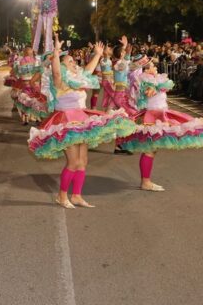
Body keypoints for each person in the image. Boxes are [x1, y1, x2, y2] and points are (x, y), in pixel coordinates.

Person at [28, 36, 136, 209]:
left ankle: (77, 195)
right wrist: (56, 53)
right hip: (66, 122)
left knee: (83, 161)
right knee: (73, 162)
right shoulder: (60, 80)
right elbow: (56, 72)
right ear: (62, 66)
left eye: (72, 61)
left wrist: (98, 55)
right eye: (69, 61)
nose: (73, 63)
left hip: (81, 120)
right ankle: (62, 196)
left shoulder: (78, 78)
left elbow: (87, 70)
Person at [118, 58, 203, 191]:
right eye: (153, 66)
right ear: (146, 69)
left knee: (152, 150)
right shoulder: (146, 81)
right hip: (153, 117)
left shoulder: (151, 80)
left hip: (160, 114)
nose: (156, 68)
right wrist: (150, 89)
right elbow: (146, 93)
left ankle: (146, 181)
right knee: (150, 150)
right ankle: (145, 182)